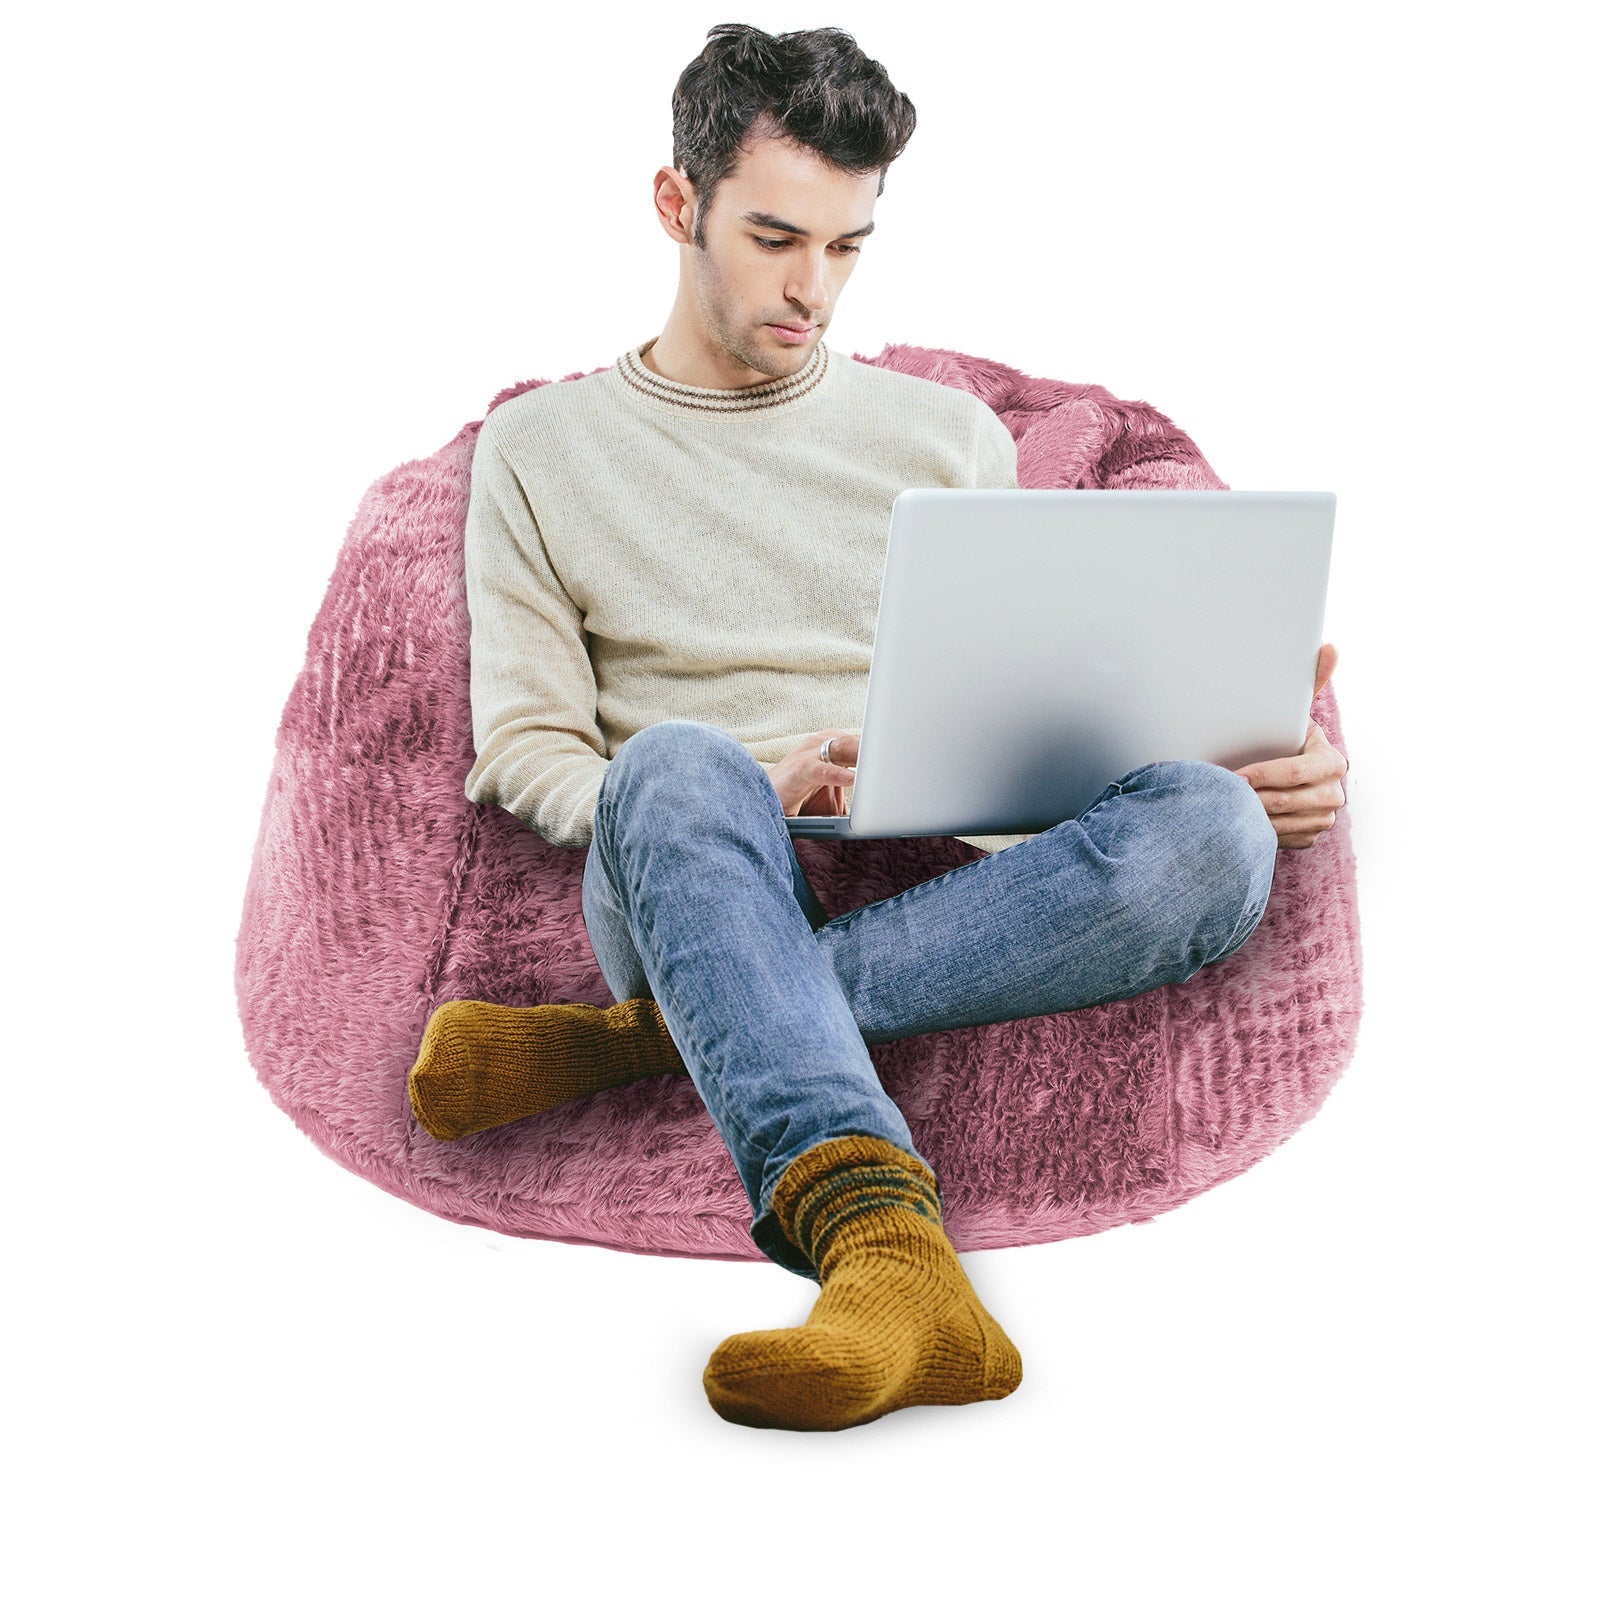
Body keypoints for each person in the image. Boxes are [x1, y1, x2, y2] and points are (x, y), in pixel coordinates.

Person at [406, 23, 1349, 1432]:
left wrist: (1225, 748)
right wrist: (751, 776)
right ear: (676, 204)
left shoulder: (945, 434)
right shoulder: (540, 451)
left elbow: (1029, 713)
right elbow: (526, 745)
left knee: (1211, 831)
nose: (813, 288)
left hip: (945, 863)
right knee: (677, 761)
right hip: (693, 861)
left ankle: (650, 1041)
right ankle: (883, 1248)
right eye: (775, 238)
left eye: (848, 246)